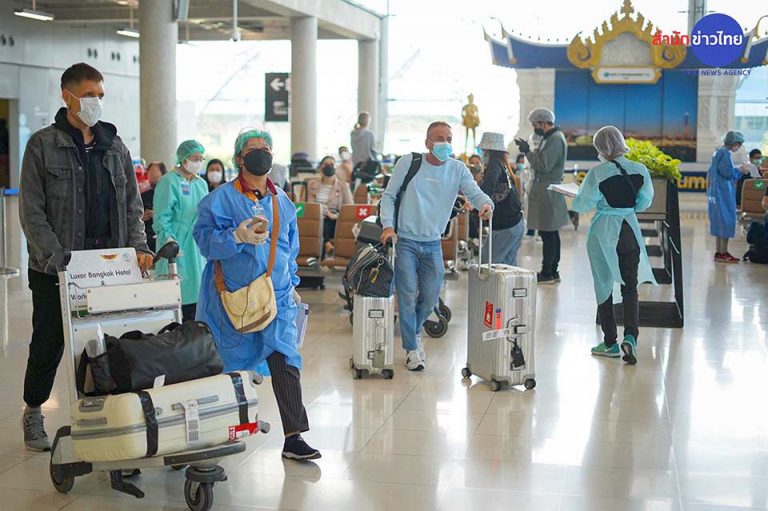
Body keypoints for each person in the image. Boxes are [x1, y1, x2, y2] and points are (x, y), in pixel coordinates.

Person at [18, 62, 152, 451]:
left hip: (106, 268)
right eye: (90, 94)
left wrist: (139, 248)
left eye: (101, 95)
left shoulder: (115, 146)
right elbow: (31, 211)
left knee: (108, 342)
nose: (96, 101)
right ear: (68, 96)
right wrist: (57, 257)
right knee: (49, 342)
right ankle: (33, 410)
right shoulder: (43, 145)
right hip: (56, 269)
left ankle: (108, 414)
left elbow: (132, 207)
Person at [193, 128, 320, 460]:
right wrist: (234, 237)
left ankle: (294, 437)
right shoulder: (219, 200)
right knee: (227, 364)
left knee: (284, 357)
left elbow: (289, 248)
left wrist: (292, 284)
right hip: (231, 298)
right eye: (253, 149)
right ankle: (220, 430)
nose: (260, 152)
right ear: (239, 158)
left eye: (266, 148)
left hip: (276, 296)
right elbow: (204, 242)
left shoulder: (282, 202)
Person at [379, 121, 493, 371]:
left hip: (432, 243)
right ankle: (412, 349)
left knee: (431, 296)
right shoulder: (409, 163)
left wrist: (486, 204)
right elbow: (388, 196)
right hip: (405, 241)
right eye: (440, 138)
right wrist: (387, 225)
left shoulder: (457, 169)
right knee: (407, 296)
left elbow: (475, 193)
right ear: (427, 143)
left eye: (449, 139)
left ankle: (415, 330)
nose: (445, 143)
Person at [572, 125, 656, 364]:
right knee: (630, 286)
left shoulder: (597, 173)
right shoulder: (640, 170)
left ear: (600, 147)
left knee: (603, 285)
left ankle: (610, 342)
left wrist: (576, 197)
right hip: (629, 229)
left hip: (603, 232)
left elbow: (582, 204)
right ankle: (631, 337)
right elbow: (644, 202)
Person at [153, 140, 209, 321]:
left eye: (201, 159)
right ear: (183, 158)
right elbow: (161, 217)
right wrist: (168, 238)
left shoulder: (201, 184)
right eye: (194, 158)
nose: (198, 162)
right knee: (176, 296)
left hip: (196, 247)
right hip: (175, 246)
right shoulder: (168, 182)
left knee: (198, 297)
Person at [514, 108, 570, 283]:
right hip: (545, 189)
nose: (534, 128)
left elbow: (544, 165)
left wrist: (527, 152)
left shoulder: (555, 139)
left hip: (548, 190)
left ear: (544, 123)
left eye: (535, 124)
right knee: (550, 232)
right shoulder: (550, 138)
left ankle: (547, 272)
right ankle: (552, 271)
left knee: (548, 233)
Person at [477, 132, 525, 266]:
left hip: (506, 226)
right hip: (515, 222)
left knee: (487, 266)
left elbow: (488, 187)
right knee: (508, 267)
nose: (483, 153)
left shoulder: (494, 164)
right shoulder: (503, 164)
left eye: (483, 150)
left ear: (489, 150)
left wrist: (476, 202)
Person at [707, 131, 750, 263]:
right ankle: (723, 252)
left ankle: (719, 251)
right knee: (726, 221)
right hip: (723, 193)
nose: (739, 147)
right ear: (734, 143)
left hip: (716, 192)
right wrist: (740, 170)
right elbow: (728, 173)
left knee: (719, 223)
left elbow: (716, 170)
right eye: (739, 145)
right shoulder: (725, 153)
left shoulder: (718, 152)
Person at [304, 155, 353, 257]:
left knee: (324, 224)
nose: (329, 166)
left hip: (333, 218)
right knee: (318, 222)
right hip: (315, 216)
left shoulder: (343, 186)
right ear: (321, 167)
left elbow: (349, 209)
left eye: (332, 164)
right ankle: (326, 245)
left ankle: (321, 256)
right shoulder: (311, 184)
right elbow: (305, 205)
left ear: (336, 167)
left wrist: (334, 215)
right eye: (326, 164)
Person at [141, 161, 167, 252]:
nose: (152, 174)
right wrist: (141, 217)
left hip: (163, 232)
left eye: (155, 171)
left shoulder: (168, 194)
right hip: (147, 233)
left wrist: (155, 214)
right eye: (150, 171)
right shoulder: (144, 195)